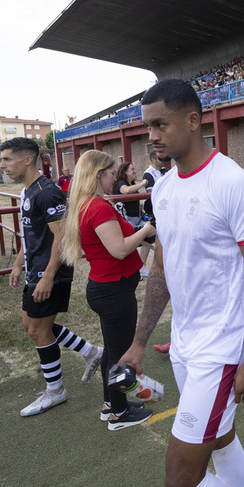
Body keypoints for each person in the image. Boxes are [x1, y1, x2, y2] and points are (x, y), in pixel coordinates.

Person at [118, 80, 244, 487]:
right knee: (223, 440)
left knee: (180, 477)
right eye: (148, 126)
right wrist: (139, 342)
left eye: (160, 124)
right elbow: (163, 270)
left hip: (222, 349)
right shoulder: (163, 190)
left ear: (193, 120)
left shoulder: (234, 184)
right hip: (186, 345)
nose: (152, 135)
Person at [0, 137, 103, 417]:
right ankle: (91, 352)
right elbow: (32, 234)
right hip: (36, 271)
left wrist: (47, 276)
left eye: (7, 159)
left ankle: (56, 391)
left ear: (27, 159)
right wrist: (19, 264)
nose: (2, 165)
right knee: (30, 326)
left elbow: (62, 238)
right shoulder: (28, 192)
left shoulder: (47, 192)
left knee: (38, 330)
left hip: (51, 274)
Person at [59, 151, 157, 430]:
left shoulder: (89, 204)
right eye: (111, 173)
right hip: (112, 291)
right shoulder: (97, 207)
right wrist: (148, 227)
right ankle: (118, 413)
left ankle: (112, 405)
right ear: (98, 174)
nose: (115, 177)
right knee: (120, 354)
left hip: (108, 288)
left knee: (112, 352)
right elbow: (120, 248)